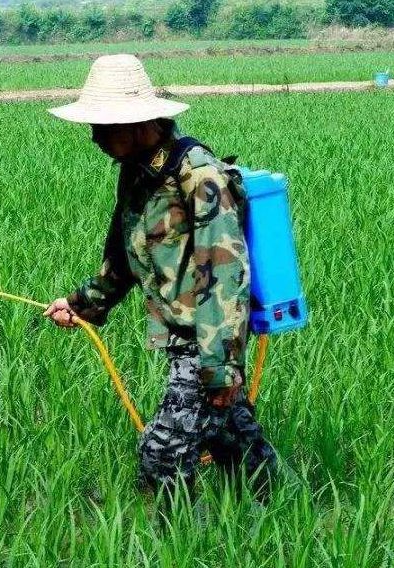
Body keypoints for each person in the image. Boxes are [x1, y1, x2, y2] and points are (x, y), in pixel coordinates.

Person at [43, 54, 277, 507]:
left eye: (103, 126)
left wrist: (220, 366)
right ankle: (274, 512)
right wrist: (82, 304)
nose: (94, 137)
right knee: (230, 436)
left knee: (163, 453)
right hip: (186, 336)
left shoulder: (200, 176)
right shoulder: (138, 174)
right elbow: (125, 257)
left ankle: (178, 541)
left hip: (206, 340)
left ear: (140, 122)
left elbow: (225, 275)